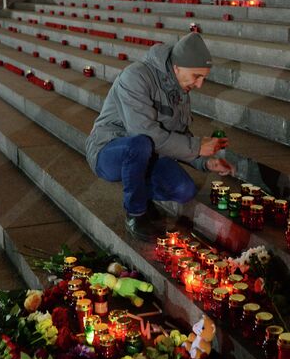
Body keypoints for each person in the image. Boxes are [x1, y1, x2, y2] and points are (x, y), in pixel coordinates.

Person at [85, 33, 234, 241]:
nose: (199, 84)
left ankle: (140, 189)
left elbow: (179, 135)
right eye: (196, 76)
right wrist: (198, 146)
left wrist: (206, 162)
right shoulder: (136, 76)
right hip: (109, 149)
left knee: (184, 190)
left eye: (203, 78)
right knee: (139, 144)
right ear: (177, 67)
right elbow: (144, 133)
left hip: (150, 153)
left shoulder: (179, 88)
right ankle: (135, 213)